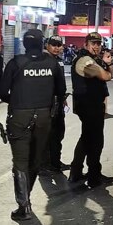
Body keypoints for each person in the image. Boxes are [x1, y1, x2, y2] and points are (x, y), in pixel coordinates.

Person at [0, 29, 65, 221]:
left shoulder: (16, 63)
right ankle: (26, 198)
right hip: (44, 117)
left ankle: (23, 206)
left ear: (25, 44)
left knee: (20, 163)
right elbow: (60, 90)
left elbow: (2, 92)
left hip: (19, 117)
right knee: (35, 160)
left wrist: (19, 100)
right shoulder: (52, 63)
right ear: (41, 43)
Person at [69, 32, 113, 188]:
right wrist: (106, 66)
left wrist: (108, 64)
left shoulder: (94, 59)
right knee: (95, 141)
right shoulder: (85, 60)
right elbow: (105, 76)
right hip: (88, 106)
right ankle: (93, 176)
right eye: (93, 43)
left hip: (93, 105)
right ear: (86, 44)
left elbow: (109, 74)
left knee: (87, 138)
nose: (96, 46)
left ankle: (76, 172)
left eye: (98, 43)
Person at [41, 35, 70, 173]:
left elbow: (60, 82)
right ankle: (44, 165)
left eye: (59, 45)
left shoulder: (59, 61)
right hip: (46, 104)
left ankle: (56, 162)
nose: (56, 48)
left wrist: (62, 97)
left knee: (58, 134)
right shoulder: (43, 61)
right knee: (47, 135)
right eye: (53, 44)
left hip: (58, 103)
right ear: (47, 45)